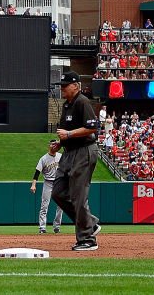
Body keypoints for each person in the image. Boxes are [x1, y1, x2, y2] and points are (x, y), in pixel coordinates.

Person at [51, 71, 100, 251]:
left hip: (84, 151)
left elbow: (92, 128)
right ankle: (90, 223)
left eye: (65, 85)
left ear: (76, 86)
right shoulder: (66, 105)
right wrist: (60, 143)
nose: (62, 88)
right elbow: (66, 132)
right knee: (57, 191)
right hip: (69, 152)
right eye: (61, 85)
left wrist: (69, 134)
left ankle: (87, 239)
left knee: (79, 196)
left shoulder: (82, 101)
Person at [31, 140, 63, 234]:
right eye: (52, 144)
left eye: (55, 144)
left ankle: (57, 226)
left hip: (58, 182)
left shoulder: (60, 156)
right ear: (48, 146)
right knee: (44, 206)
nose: (54, 145)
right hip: (48, 183)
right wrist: (33, 185)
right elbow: (37, 173)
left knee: (61, 206)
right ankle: (42, 227)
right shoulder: (43, 159)